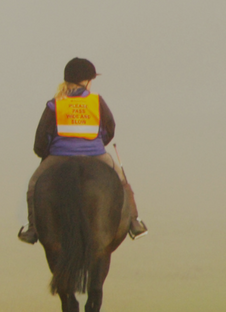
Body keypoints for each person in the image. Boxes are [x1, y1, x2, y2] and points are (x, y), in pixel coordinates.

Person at [20, 56, 147, 243]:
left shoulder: (55, 104)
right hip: (95, 154)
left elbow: (41, 140)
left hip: (59, 155)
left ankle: (32, 229)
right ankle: (134, 223)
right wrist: (95, 143)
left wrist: (47, 153)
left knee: (33, 185)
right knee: (122, 182)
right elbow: (110, 129)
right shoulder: (97, 101)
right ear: (86, 81)